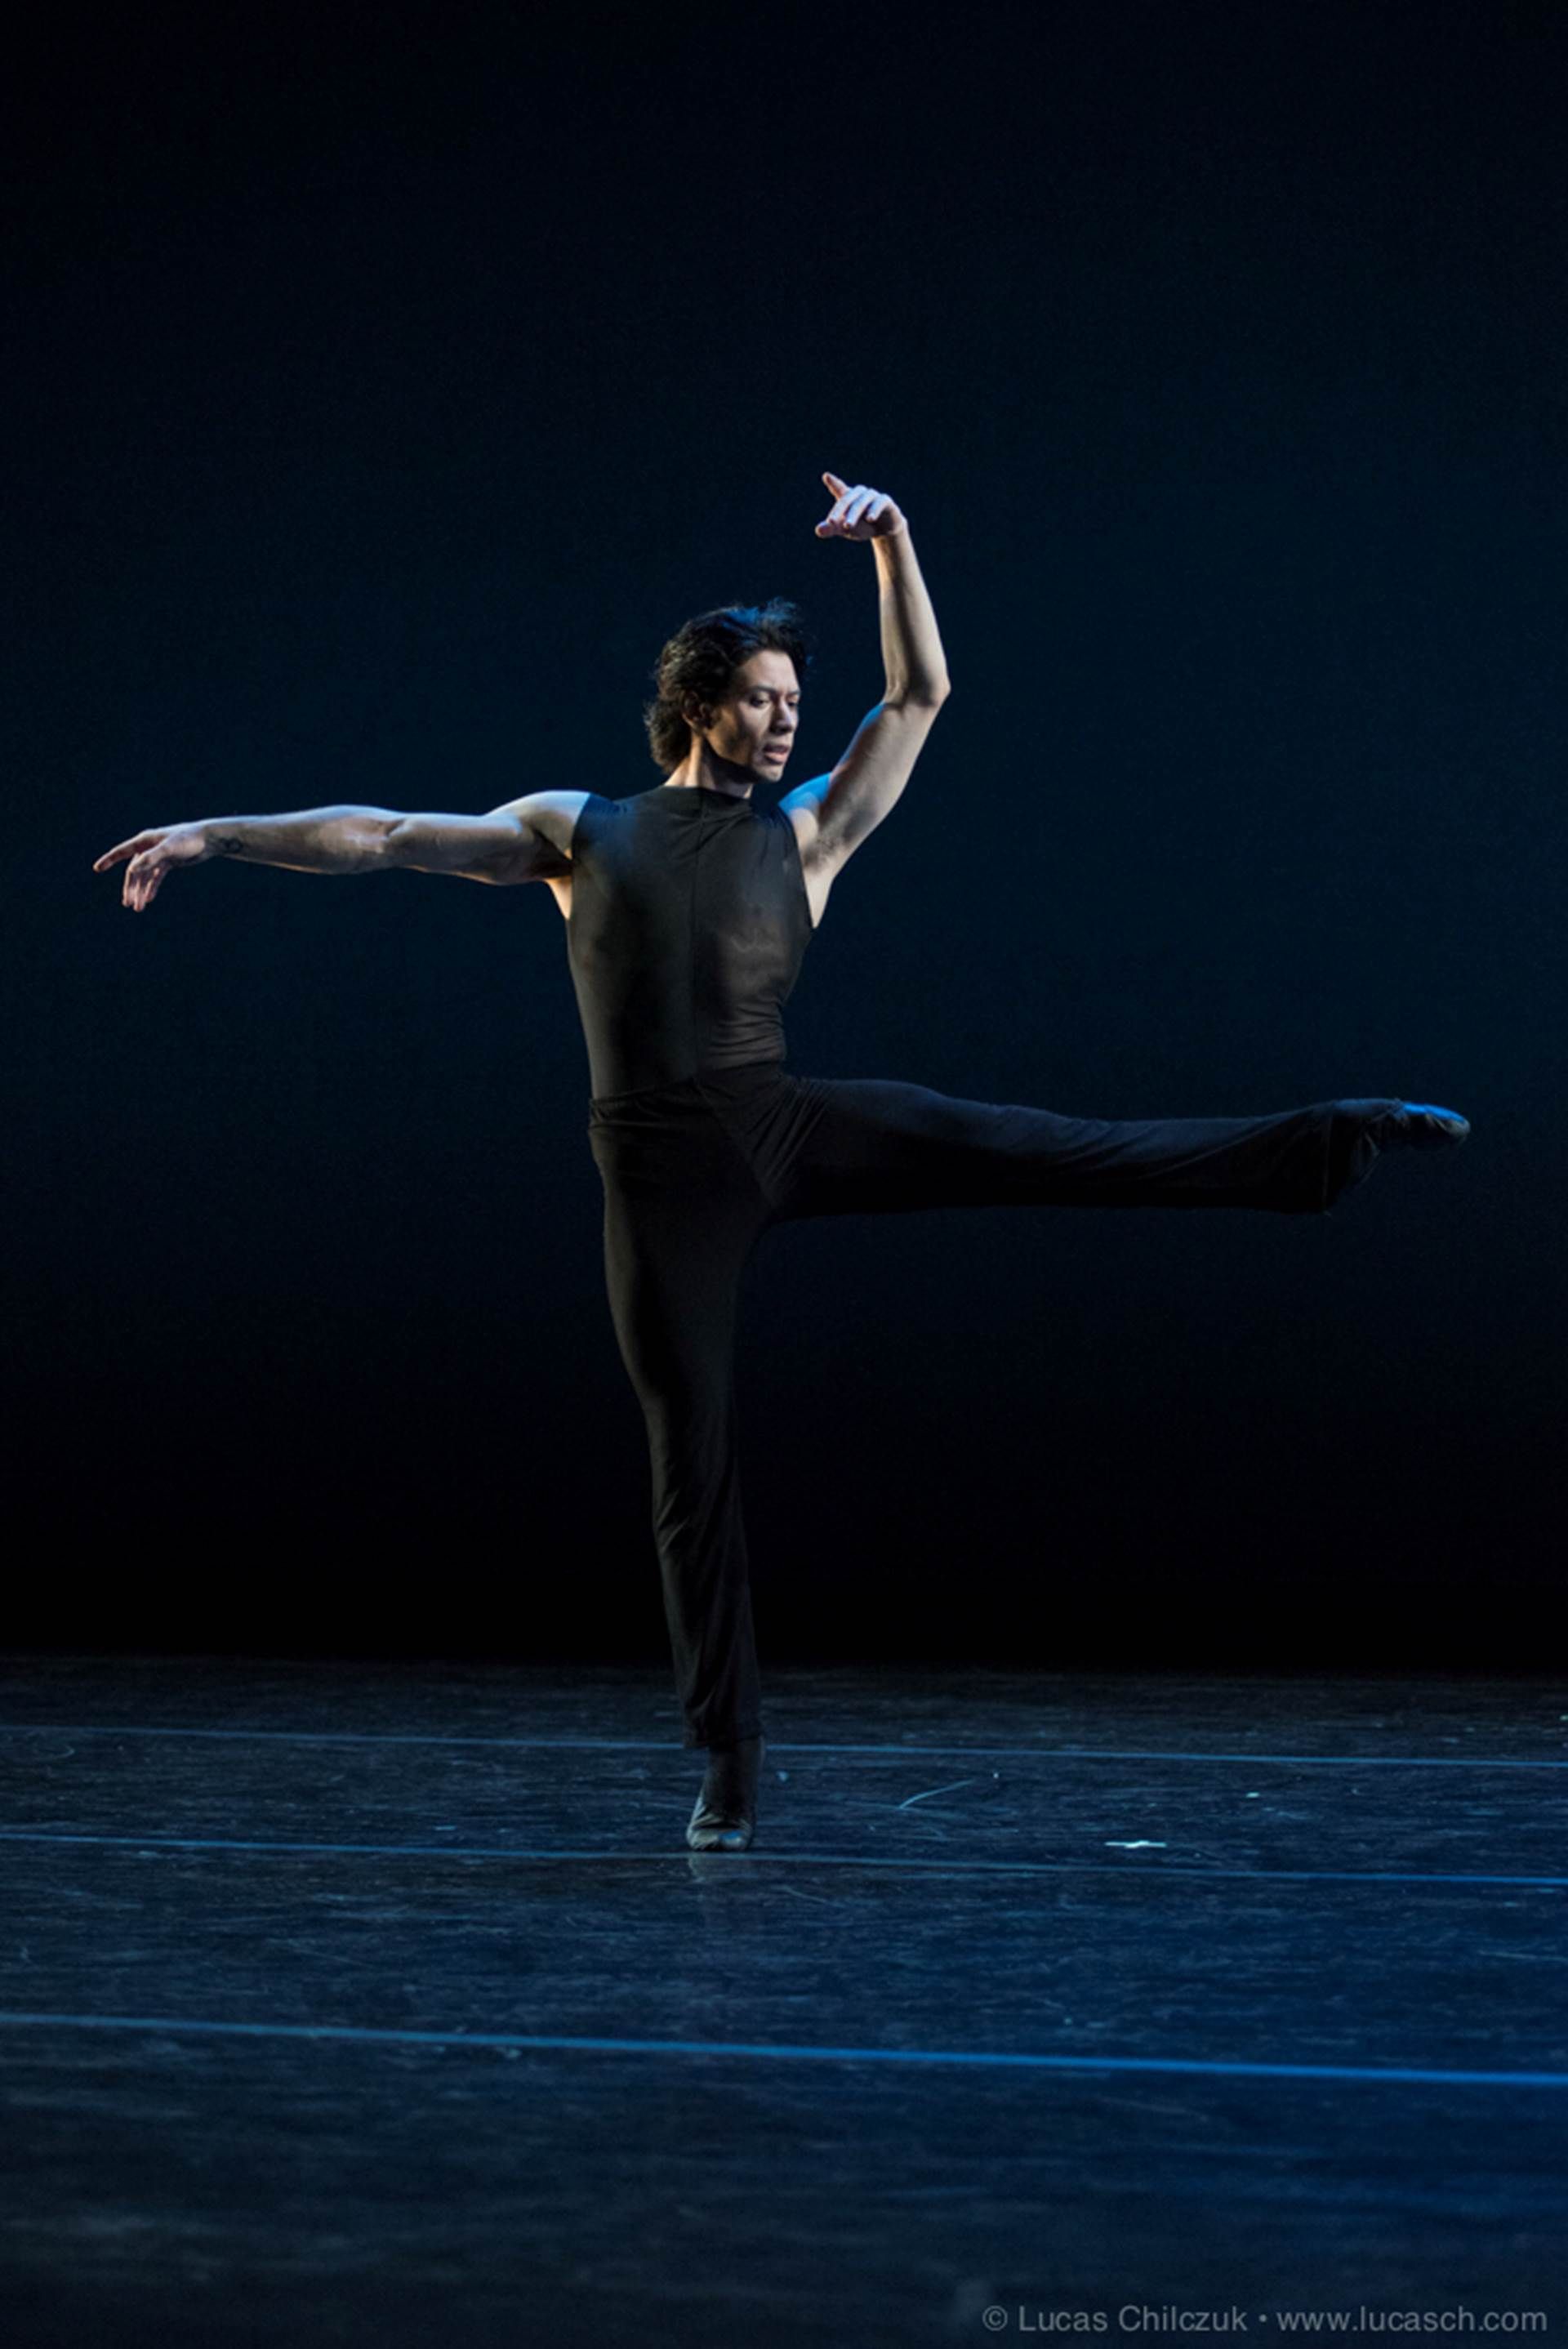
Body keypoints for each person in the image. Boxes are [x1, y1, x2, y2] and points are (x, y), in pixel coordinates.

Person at [92, 468, 1470, 1854]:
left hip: (779, 1122)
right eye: (761, 697)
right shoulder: (579, 830)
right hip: (657, 1170)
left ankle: (1326, 1142)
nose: (785, 717)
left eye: (794, 703)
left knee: (1050, 1147)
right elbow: (385, 837)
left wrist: (898, 544)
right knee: (689, 1461)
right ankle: (730, 1763)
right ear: (700, 704)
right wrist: (220, 833)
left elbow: (918, 698)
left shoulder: (809, 830)